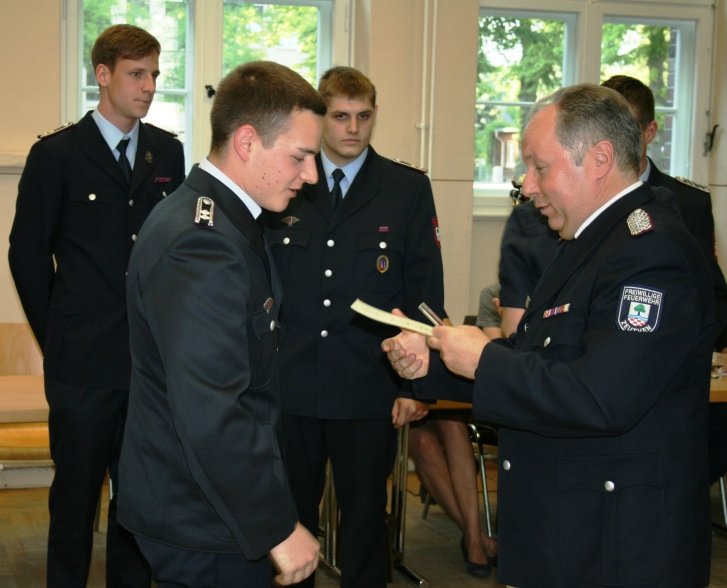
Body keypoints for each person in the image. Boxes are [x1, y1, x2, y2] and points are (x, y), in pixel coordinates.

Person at [384, 83, 714, 587]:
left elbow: (599, 398)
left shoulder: (650, 253)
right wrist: (436, 363)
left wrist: (484, 361)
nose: (528, 186)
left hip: (616, 547)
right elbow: (542, 359)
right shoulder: (589, 240)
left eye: (541, 167)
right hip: (570, 530)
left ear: (600, 159)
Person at [116, 61, 325, 587]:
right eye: (300, 156)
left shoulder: (227, 221)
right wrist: (276, 526)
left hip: (209, 500)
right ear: (248, 141)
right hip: (202, 513)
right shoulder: (202, 241)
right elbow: (212, 408)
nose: (312, 175)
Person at [8, 24, 185, 588]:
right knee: (76, 499)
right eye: (137, 74)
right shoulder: (56, 154)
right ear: (103, 75)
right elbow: (27, 256)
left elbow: (174, 254)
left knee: (138, 501)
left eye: (155, 74)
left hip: (147, 363)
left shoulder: (168, 151)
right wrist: (56, 334)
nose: (149, 86)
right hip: (82, 364)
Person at [265, 66, 442, 587]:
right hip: (292, 381)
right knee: (290, 513)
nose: (353, 128)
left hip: (368, 384)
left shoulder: (405, 187)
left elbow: (425, 290)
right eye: (340, 116)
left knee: (366, 516)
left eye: (363, 116)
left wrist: (415, 383)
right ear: (322, 118)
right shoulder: (290, 178)